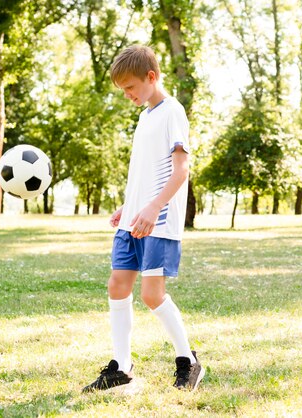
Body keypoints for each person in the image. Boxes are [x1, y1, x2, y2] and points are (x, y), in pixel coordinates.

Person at [82, 45, 204, 393]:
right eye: (123, 90)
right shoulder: (145, 116)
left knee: (152, 295)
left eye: (131, 88)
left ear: (151, 77)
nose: (128, 95)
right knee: (117, 285)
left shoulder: (172, 112)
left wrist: (152, 208)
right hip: (133, 219)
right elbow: (144, 173)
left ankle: (188, 360)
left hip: (159, 221)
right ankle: (121, 367)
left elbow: (181, 171)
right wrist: (129, 205)